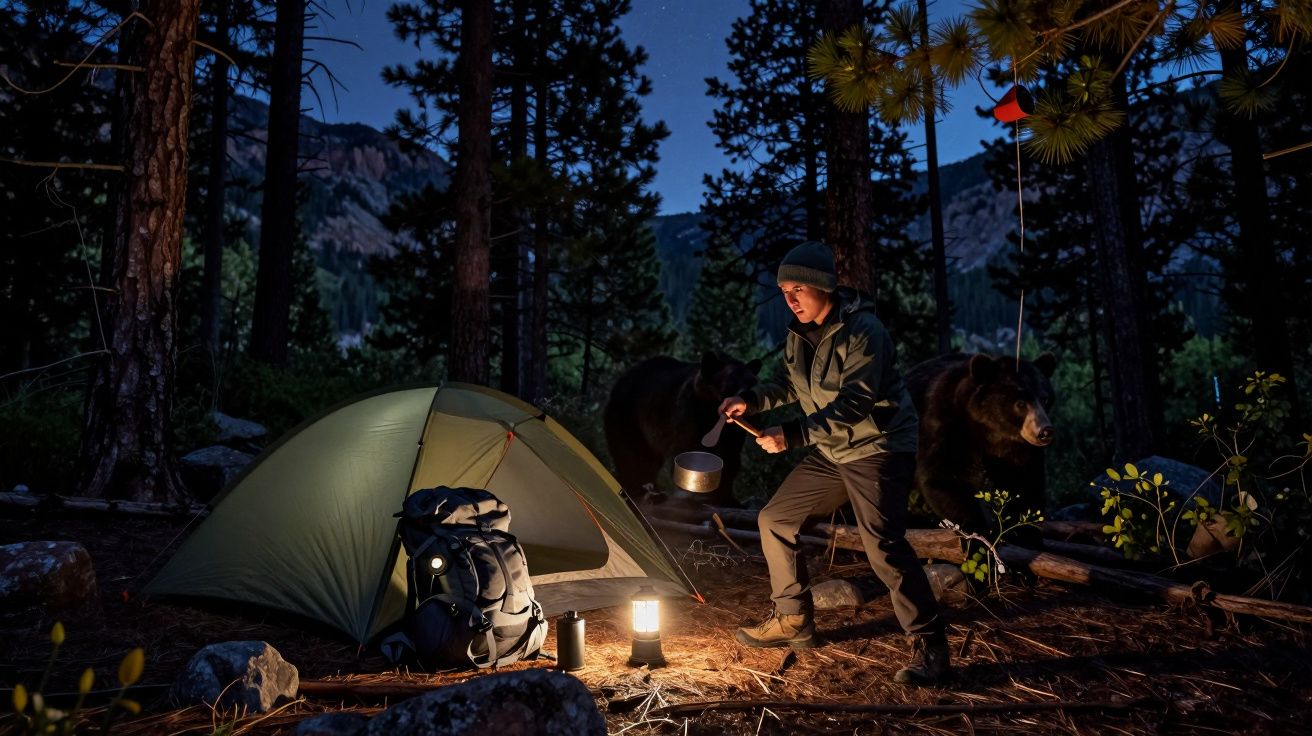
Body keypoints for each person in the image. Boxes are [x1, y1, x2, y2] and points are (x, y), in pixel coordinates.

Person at [720, 241, 949, 685]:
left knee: (882, 543)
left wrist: (793, 434)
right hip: (833, 449)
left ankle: (930, 645)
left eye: (798, 288)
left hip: (879, 446)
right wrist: (748, 400)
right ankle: (792, 620)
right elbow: (789, 384)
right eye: (785, 289)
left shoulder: (865, 331)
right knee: (775, 518)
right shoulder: (798, 334)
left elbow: (857, 402)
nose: (790, 299)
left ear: (824, 286)